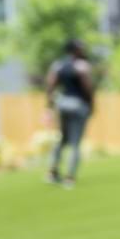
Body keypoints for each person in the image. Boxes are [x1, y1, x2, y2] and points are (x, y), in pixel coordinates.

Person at [44, 38, 95, 188]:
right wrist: (91, 105)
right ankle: (69, 177)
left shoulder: (58, 65)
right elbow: (88, 88)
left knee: (62, 139)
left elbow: (51, 86)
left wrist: (49, 105)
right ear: (75, 50)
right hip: (77, 105)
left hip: (62, 104)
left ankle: (52, 172)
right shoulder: (82, 66)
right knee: (75, 143)